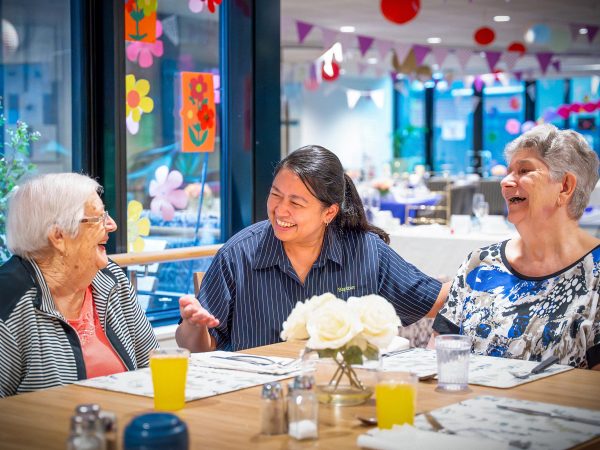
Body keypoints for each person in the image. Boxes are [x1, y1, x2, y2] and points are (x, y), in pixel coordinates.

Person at [176, 145, 450, 352]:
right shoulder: (239, 254)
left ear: (328, 212)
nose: (280, 210)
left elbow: (435, 299)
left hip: (342, 392)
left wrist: (487, 268)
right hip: (257, 397)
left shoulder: (364, 250)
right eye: (275, 195)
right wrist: (193, 326)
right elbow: (197, 347)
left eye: (296, 203)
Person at [432, 125, 600, 370]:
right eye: (509, 171)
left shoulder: (595, 274)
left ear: (564, 186)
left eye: (524, 170)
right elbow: (436, 358)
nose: (506, 182)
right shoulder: (480, 263)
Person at [0, 173, 158, 397]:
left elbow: (153, 366)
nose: (112, 225)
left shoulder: (111, 278)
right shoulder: (8, 304)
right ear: (58, 236)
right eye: (99, 218)